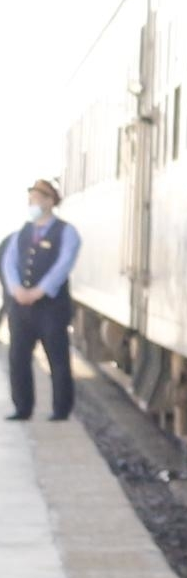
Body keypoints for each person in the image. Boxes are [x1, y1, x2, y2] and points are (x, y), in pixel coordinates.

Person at [3, 179, 82, 422]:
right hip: (21, 307)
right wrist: (15, 289)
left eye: (36, 199)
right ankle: (22, 407)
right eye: (30, 201)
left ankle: (60, 409)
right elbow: (9, 262)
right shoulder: (21, 233)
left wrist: (40, 291)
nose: (32, 205)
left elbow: (63, 265)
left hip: (51, 307)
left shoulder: (66, 232)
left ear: (49, 201)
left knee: (57, 360)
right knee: (18, 358)